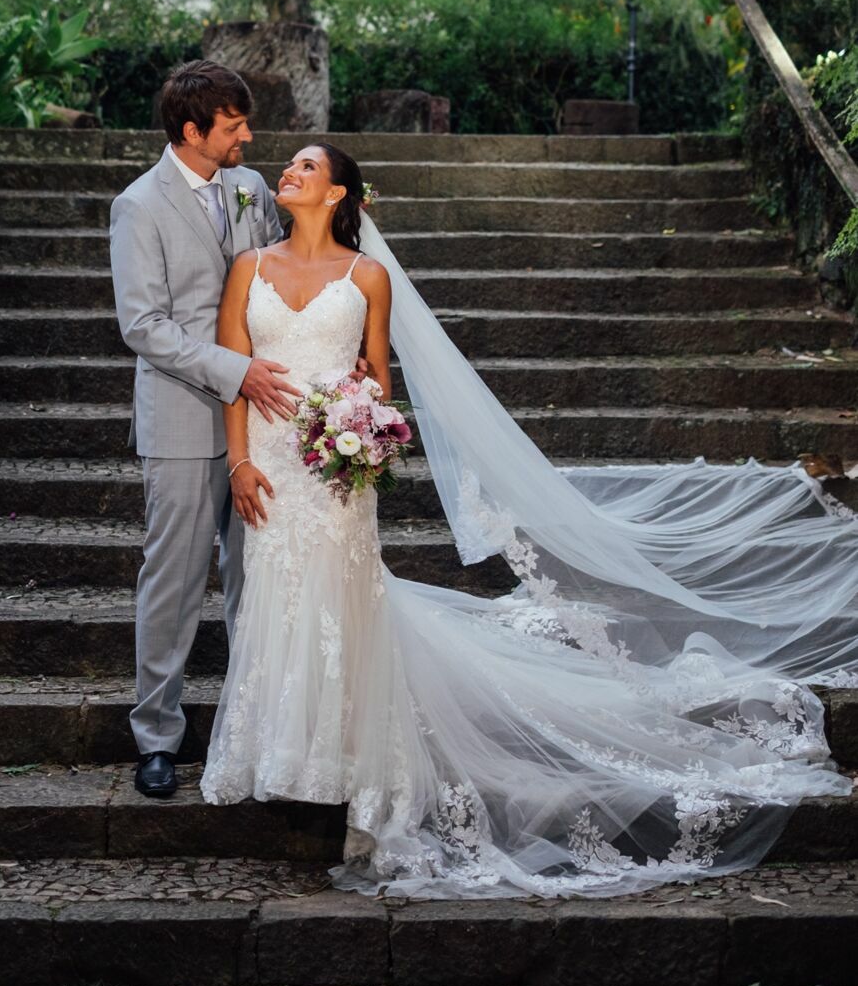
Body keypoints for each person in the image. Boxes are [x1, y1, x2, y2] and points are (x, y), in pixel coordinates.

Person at [200, 142, 858, 899]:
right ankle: (283, 752)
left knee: (340, 601)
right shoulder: (249, 268)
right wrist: (239, 463)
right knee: (278, 595)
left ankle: (343, 754)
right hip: (274, 466)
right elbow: (231, 369)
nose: (288, 171)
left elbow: (380, 376)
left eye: (305, 167)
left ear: (338, 191)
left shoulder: (368, 276)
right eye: (288, 165)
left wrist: (361, 414)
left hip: (336, 464)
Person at [109, 60, 289, 799]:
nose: (248, 135)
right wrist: (232, 370)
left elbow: (280, 277)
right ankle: (157, 737)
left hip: (264, 420)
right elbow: (143, 326)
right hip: (182, 419)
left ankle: (257, 732)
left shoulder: (250, 191)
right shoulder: (138, 205)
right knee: (174, 584)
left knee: (260, 578)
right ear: (192, 131)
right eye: (234, 125)